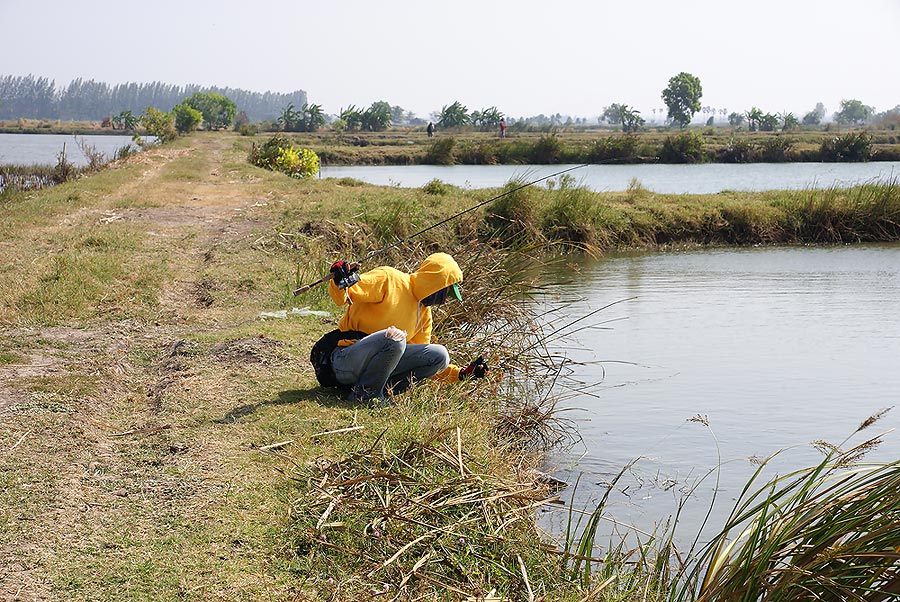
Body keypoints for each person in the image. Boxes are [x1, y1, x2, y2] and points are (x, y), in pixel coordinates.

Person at [309, 252, 488, 404]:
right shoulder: (390, 279)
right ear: (435, 283)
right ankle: (365, 394)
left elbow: (423, 360)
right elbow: (343, 296)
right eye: (446, 292)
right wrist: (339, 277)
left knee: (439, 355)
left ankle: (376, 394)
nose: (444, 300)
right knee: (395, 338)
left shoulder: (424, 314)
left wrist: (461, 374)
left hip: (370, 372)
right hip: (343, 361)